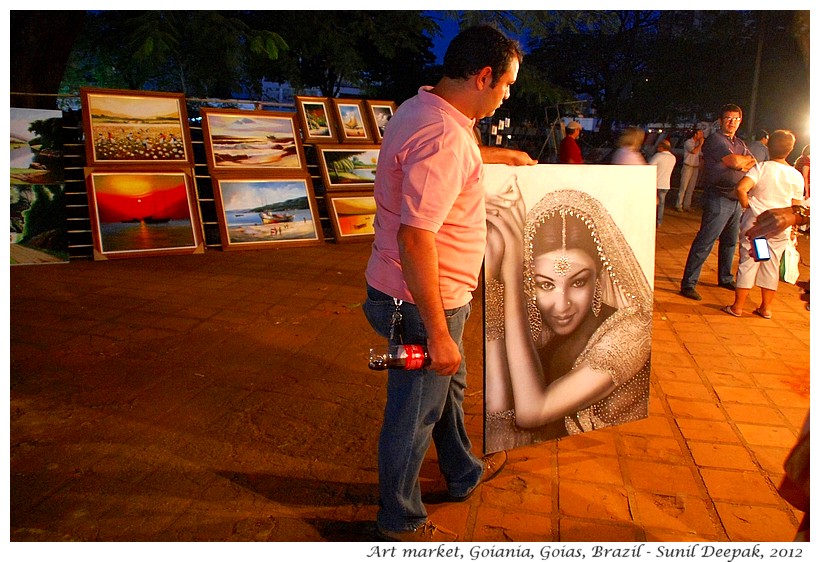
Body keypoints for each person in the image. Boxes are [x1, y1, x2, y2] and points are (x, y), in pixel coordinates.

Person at [362, 25, 536, 542]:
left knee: (446, 392)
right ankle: (399, 522)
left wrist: (499, 157)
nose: (506, 94)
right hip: (419, 299)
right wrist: (437, 332)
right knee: (414, 414)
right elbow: (417, 238)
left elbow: (442, 166)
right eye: (506, 85)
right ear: (484, 76)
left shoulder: (421, 111)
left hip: (410, 290)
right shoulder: (446, 136)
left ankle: (462, 470)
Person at [483, 186, 653, 453]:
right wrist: (493, 280)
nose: (562, 305)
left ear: (598, 278)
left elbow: (530, 412)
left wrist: (512, 275)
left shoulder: (631, 333)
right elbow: (497, 415)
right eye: (545, 285)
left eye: (579, 282)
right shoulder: (538, 325)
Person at [721, 130, 804, 319]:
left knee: (750, 261)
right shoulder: (795, 175)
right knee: (770, 263)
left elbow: (741, 188)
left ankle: (738, 307)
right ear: (790, 150)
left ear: (768, 146)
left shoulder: (762, 168)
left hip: (757, 225)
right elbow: (796, 208)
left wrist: (748, 207)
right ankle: (765, 308)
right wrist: (794, 231)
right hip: (780, 227)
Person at [679, 103, 757, 301]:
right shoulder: (715, 139)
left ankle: (725, 277)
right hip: (718, 197)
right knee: (706, 241)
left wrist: (740, 162)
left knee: (730, 242)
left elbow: (752, 162)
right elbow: (736, 162)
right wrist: (739, 163)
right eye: (728, 119)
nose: (732, 122)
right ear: (721, 121)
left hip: (736, 199)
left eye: (736, 119)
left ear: (741, 121)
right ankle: (688, 283)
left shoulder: (739, 142)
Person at [676, 128, 705, 212]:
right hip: (687, 166)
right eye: (700, 134)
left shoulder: (698, 143)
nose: (702, 136)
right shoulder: (689, 142)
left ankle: (687, 205)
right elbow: (694, 151)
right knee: (683, 186)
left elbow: (699, 155)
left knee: (691, 188)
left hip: (695, 166)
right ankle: (679, 204)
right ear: (695, 134)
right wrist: (700, 145)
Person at [649, 139, 676, 227]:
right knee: (661, 204)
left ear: (661, 147)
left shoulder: (658, 156)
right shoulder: (673, 158)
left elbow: (649, 167)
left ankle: (652, 221)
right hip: (666, 184)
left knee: (653, 204)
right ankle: (659, 222)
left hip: (657, 183)